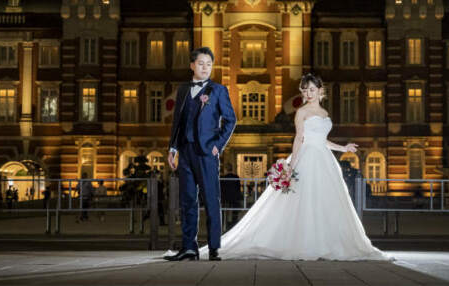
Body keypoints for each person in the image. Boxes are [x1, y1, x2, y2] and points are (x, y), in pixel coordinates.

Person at [182, 73, 390, 261]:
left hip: (324, 159)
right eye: (305, 89)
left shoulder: (324, 112)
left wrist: (343, 147)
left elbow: (322, 140)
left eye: (311, 89)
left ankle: (326, 242)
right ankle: (303, 243)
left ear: (320, 90)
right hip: (307, 157)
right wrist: (292, 166)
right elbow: (299, 139)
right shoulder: (301, 112)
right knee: (302, 202)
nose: (308, 93)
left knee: (326, 202)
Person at [164, 47, 237, 262]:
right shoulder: (183, 90)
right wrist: (173, 147)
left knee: (211, 200)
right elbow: (178, 121)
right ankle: (189, 247)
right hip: (185, 152)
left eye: (209, 64)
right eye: (201, 63)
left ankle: (214, 248)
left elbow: (231, 120)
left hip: (206, 153)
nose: (205, 67)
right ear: (192, 65)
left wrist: (218, 145)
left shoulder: (218, 90)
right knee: (187, 200)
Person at [220, 164, 242, 229]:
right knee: (235, 209)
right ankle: (234, 222)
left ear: (226, 169)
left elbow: (221, 188)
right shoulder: (236, 177)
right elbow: (238, 187)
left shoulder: (223, 178)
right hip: (234, 197)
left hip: (225, 197)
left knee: (223, 210)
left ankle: (224, 222)